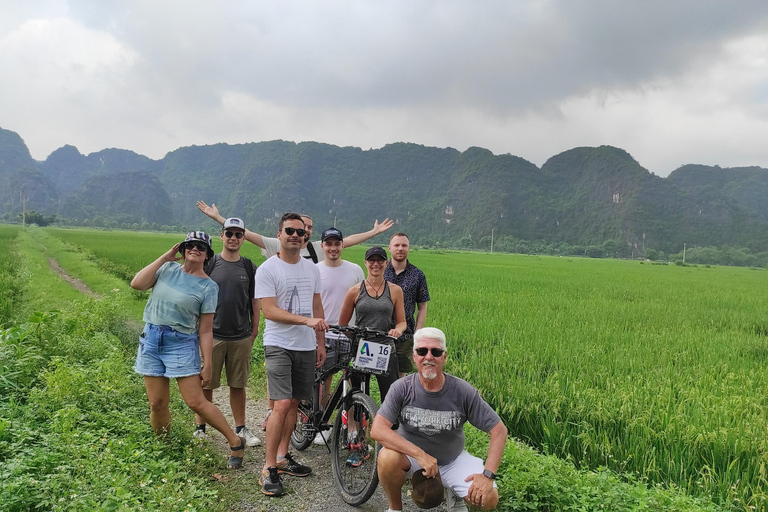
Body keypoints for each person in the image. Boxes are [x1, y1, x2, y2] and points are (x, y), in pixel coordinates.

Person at [131, 231, 247, 469]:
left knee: (195, 401)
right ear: (182, 249)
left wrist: (208, 363)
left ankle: (235, 441)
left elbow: (205, 330)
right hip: (152, 339)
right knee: (157, 403)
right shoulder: (166, 270)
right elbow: (137, 284)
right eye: (190, 245)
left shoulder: (208, 287)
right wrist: (164, 257)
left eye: (201, 247)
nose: (195, 249)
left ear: (207, 255)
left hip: (181, 342)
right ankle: (164, 446)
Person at [371, 327, 508, 512]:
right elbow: (378, 429)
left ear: (444, 357)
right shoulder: (401, 388)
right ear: (414, 356)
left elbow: (499, 430)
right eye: (422, 351)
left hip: (452, 460)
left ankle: (456, 493)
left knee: (489, 498)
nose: (429, 357)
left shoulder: (462, 391)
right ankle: (395, 508)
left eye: (436, 352)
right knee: (386, 458)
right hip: (412, 459)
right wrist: (420, 455)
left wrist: (488, 475)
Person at [254, 213, 328, 496]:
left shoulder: (312, 269)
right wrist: (306, 321)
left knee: (295, 402)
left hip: (306, 345)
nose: (296, 236)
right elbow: (269, 311)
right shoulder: (268, 269)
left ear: (305, 237)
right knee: (282, 403)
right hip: (278, 343)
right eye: (290, 231)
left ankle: (284, 457)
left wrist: (320, 342)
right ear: (280, 234)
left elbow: (317, 307)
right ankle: (268, 467)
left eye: (301, 232)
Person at [192, 218, 261, 447]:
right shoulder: (211, 263)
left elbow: (254, 300)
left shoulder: (249, 267)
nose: (233, 238)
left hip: (240, 335)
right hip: (212, 334)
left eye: (238, 234)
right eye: (229, 233)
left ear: (243, 238)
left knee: (238, 384)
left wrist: (254, 327)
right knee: (206, 383)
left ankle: (240, 427)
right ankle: (201, 428)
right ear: (221, 236)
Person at [196, 200, 395, 262]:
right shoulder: (276, 245)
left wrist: (374, 232)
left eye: (308, 228)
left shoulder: (317, 248)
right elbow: (244, 233)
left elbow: (348, 240)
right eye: (299, 228)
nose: (304, 231)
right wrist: (218, 218)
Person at [313, 227, 365, 445]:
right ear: (322, 246)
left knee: (353, 383)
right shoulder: (314, 270)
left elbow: (363, 301)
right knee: (324, 380)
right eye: (329, 244)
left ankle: (352, 427)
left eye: (337, 244)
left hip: (350, 334)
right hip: (324, 334)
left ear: (343, 245)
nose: (333, 248)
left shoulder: (355, 270)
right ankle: (322, 424)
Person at [338, 246, 407, 400]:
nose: (376, 264)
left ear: (386, 263)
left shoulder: (395, 290)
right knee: (358, 393)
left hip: (385, 348)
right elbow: (343, 324)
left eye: (380, 260)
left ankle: (387, 424)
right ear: (365, 263)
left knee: (390, 396)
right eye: (372, 260)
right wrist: (354, 337)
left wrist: (397, 330)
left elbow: (402, 322)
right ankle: (359, 423)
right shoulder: (355, 291)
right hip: (362, 348)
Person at [384, 233, 430, 378]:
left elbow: (422, 306)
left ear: (409, 248)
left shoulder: (418, 275)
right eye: (397, 245)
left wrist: (418, 332)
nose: (400, 248)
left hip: (405, 335)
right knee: (371, 371)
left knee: (399, 374)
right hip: (379, 332)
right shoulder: (380, 271)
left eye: (404, 245)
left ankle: (397, 400)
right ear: (390, 248)